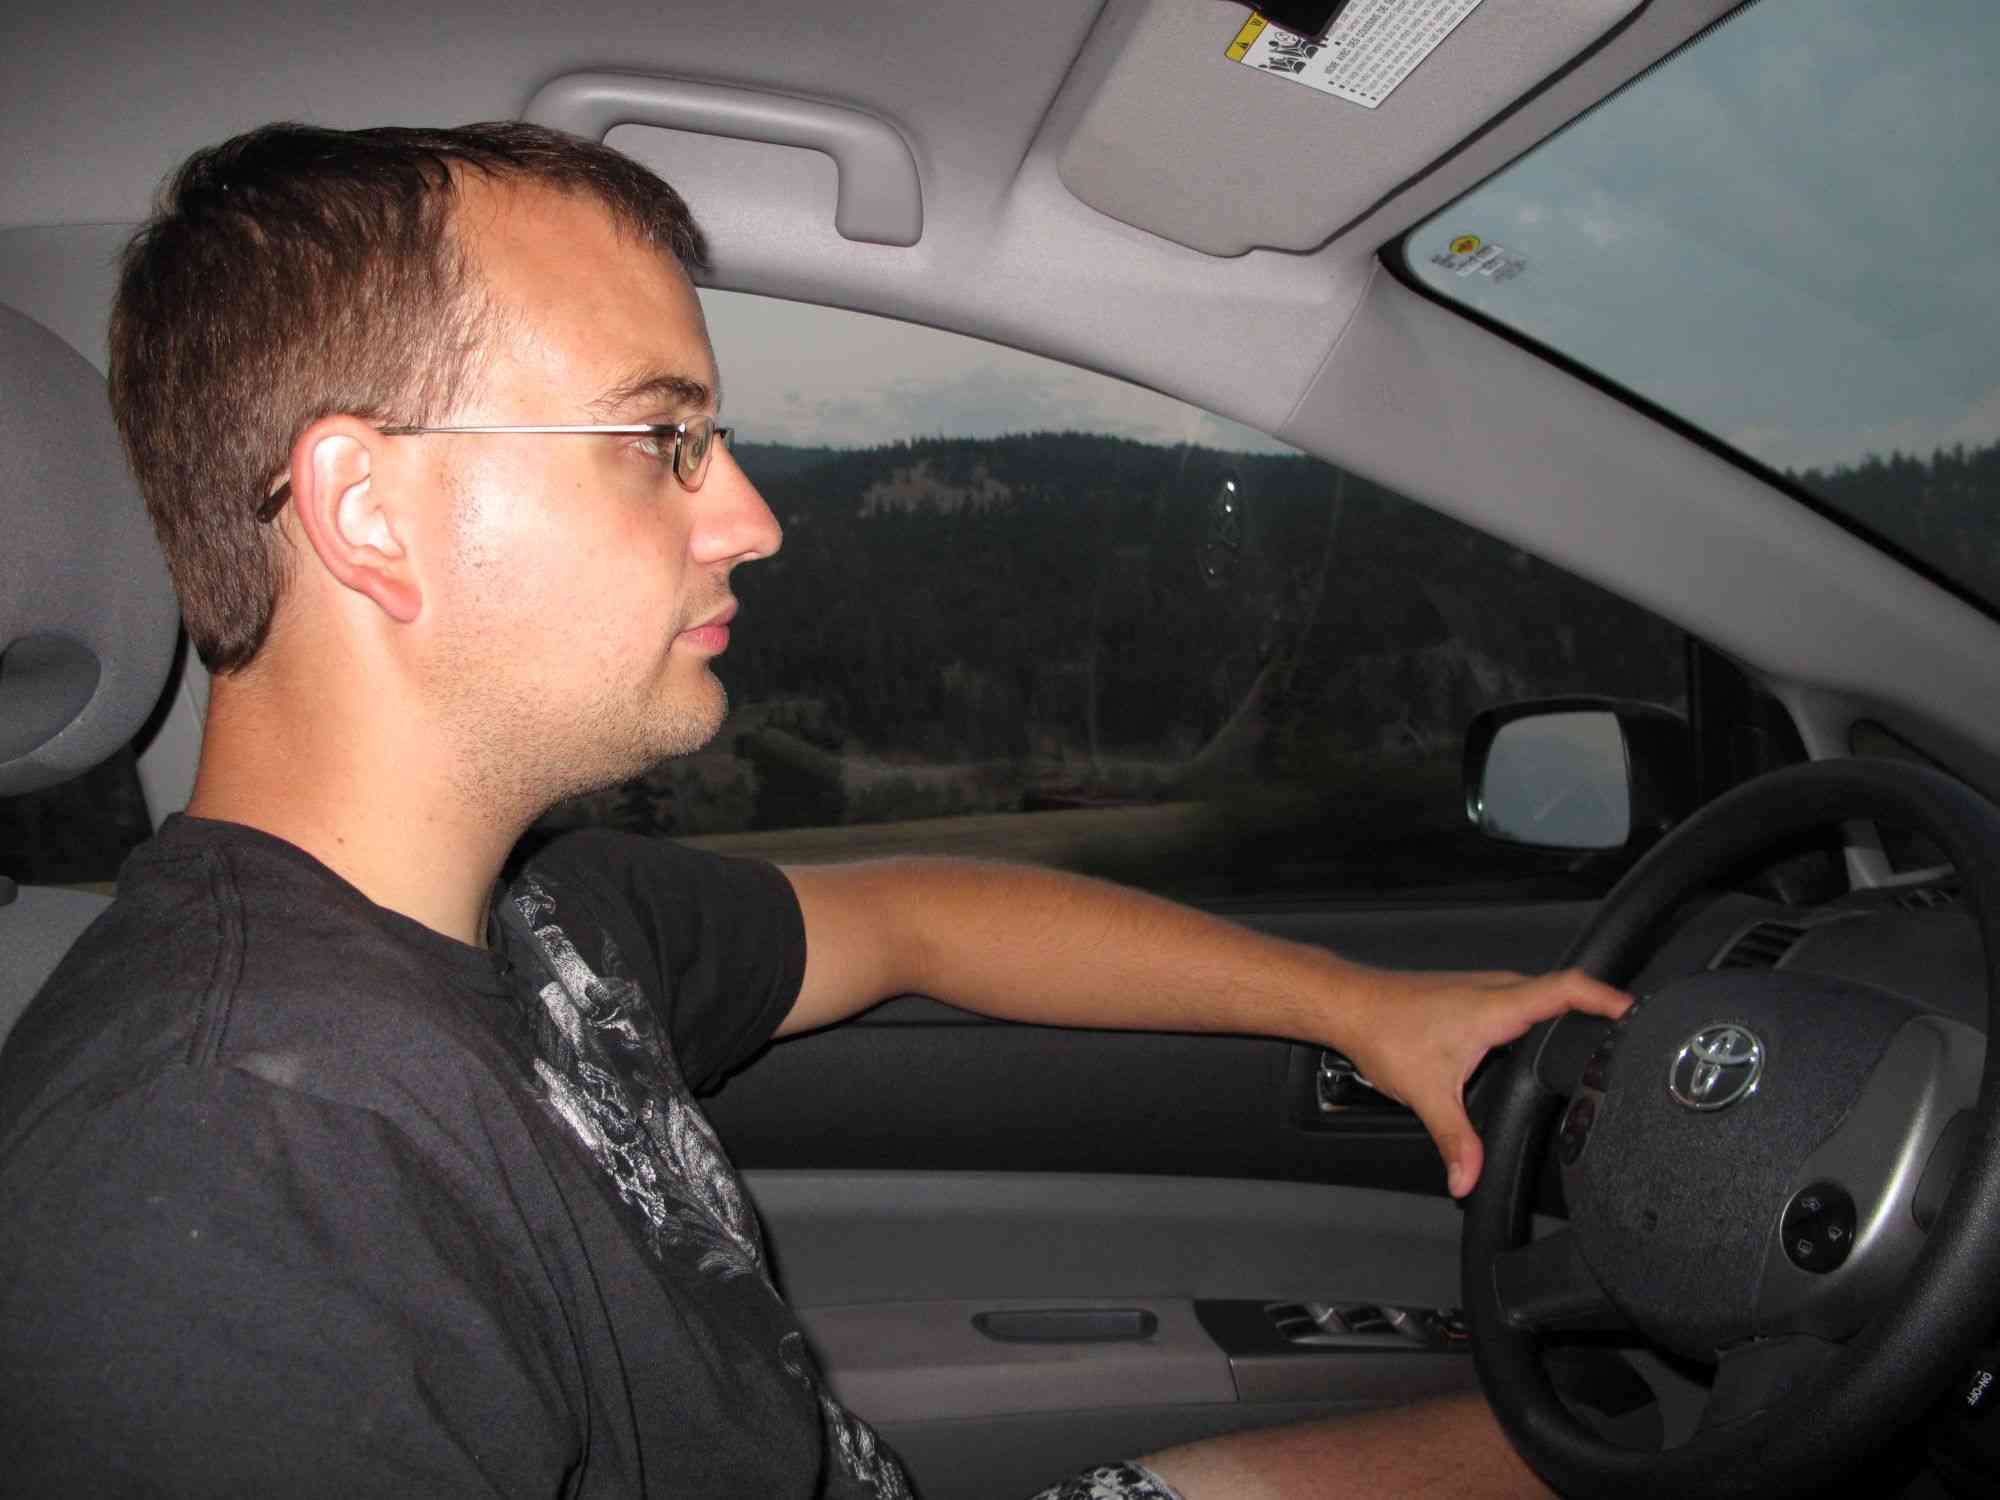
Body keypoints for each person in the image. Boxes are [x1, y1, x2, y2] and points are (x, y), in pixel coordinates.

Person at [0, 121, 1627, 1497]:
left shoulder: (536, 916)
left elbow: (920, 919)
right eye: (662, 438)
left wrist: (1360, 1006)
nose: (753, 519)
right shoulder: (222, 1183)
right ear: (369, 510)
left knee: (1587, 1445)